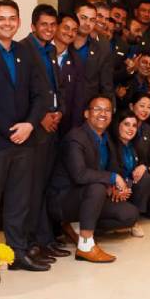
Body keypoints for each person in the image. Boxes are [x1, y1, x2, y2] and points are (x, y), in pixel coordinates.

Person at [0, 0, 50, 271]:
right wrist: (10, 129)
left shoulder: (27, 51)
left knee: (19, 201)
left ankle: (17, 253)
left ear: (19, 22)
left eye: (12, 18)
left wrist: (29, 125)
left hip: (26, 140)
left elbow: (41, 94)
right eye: (1, 18)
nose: (7, 23)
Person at [52, 94, 136, 263]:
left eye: (107, 110)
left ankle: (78, 226)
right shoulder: (75, 137)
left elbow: (112, 167)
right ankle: (85, 245)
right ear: (86, 113)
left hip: (90, 196)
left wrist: (114, 187)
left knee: (129, 214)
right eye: (97, 109)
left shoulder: (106, 138)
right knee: (96, 188)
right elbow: (79, 175)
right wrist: (112, 178)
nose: (103, 113)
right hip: (64, 199)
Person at [19, 5, 65, 265]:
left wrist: (58, 112)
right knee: (31, 190)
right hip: (35, 130)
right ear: (33, 26)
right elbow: (23, 92)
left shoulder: (50, 50)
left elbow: (55, 88)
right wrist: (40, 117)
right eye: (44, 24)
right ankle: (31, 243)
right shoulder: (24, 50)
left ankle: (45, 239)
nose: (49, 29)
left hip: (52, 126)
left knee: (44, 188)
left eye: (52, 25)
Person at [109, 110, 150, 228]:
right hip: (116, 190)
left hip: (130, 186)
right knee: (146, 180)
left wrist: (143, 167)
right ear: (117, 125)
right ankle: (135, 220)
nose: (131, 129)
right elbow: (110, 172)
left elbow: (142, 166)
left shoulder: (133, 145)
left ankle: (136, 209)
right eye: (126, 124)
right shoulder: (111, 145)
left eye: (134, 126)